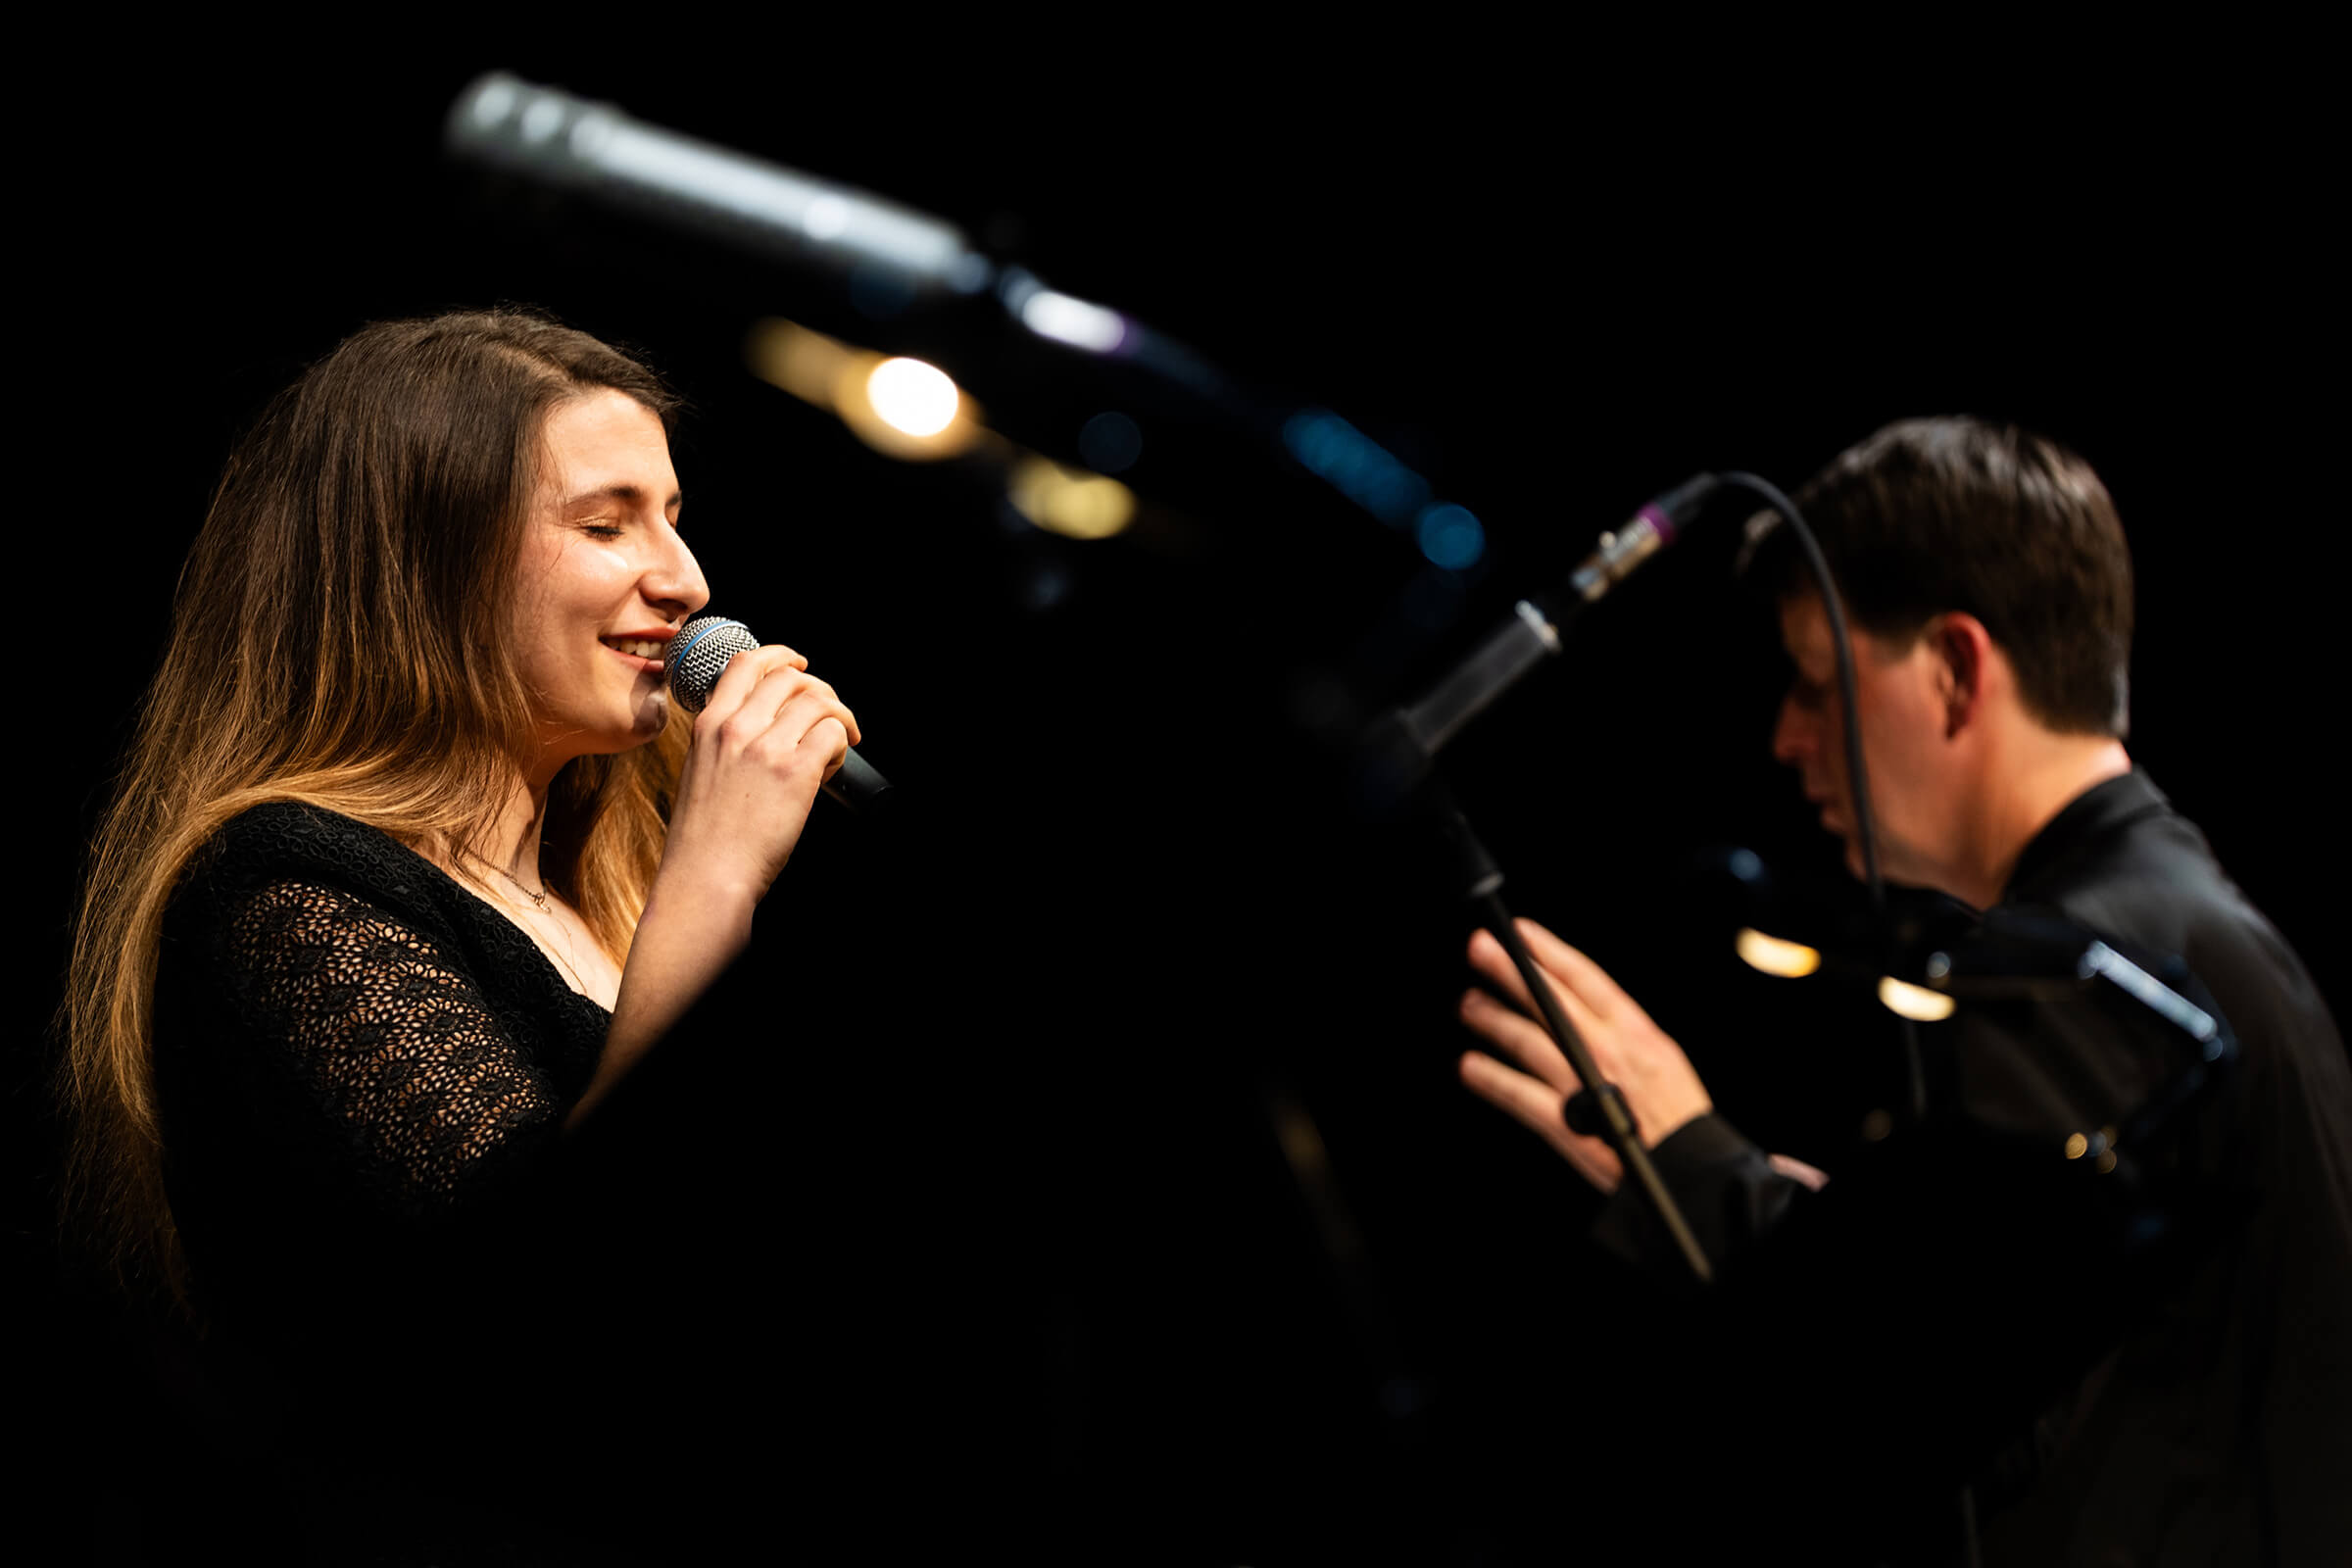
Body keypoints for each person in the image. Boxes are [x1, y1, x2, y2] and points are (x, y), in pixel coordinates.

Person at [1453, 417, 2352, 1563]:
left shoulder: (2083, 969)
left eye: (1819, 683)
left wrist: (1686, 1158)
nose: (1787, 738)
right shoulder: (2184, 928)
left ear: (1955, 670)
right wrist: (1844, 1224)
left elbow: (1908, 1402)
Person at [57, 309, 861, 1562]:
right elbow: (550, 1305)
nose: (688, 580)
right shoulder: (283, 887)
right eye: (606, 525)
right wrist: (714, 874)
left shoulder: (614, 896)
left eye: (672, 514)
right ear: (429, 565)